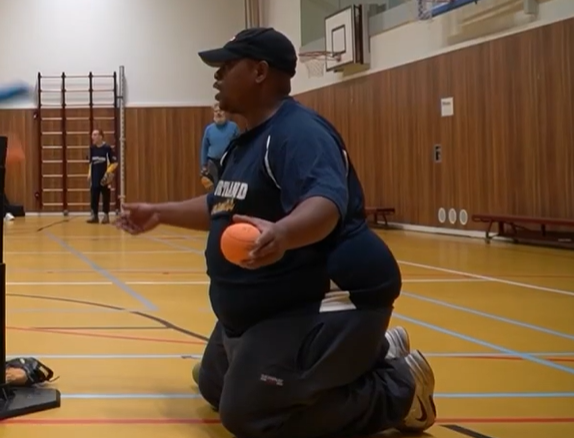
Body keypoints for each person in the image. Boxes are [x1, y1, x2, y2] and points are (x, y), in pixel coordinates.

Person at [115, 27, 435, 438]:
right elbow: (221, 205)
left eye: (227, 66)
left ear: (260, 72)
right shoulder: (245, 142)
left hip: (326, 298)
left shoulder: (299, 133)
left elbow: (325, 202)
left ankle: (400, 389)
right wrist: (159, 213)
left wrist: (283, 233)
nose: (217, 76)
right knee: (214, 385)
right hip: (268, 308)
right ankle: (375, 351)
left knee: (249, 414)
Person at [200, 103, 238, 190]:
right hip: (213, 162)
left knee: (228, 186)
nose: (218, 113)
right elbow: (204, 147)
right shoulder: (209, 129)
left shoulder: (233, 127)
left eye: (220, 110)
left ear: (225, 112)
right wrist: (203, 164)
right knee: (215, 187)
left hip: (229, 161)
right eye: (216, 111)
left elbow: (240, 145)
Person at [86, 129, 117, 224]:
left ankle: (106, 216)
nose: (93, 137)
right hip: (95, 177)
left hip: (105, 177)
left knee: (106, 196)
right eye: (92, 135)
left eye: (95, 135)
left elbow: (114, 163)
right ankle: (94, 215)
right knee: (94, 196)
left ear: (101, 136)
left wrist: (108, 173)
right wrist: (89, 173)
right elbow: (91, 163)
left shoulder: (107, 148)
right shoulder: (92, 148)